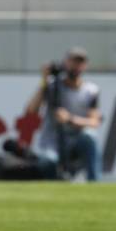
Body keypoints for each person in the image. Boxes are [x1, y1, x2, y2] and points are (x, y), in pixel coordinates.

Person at [25, 47, 102, 181]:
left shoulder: (91, 91)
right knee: (47, 162)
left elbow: (94, 122)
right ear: (65, 62)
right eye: (72, 61)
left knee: (90, 137)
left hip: (76, 141)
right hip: (52, 142)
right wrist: (44, 81)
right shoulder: (52, 86)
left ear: (85, 66)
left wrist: (70, 119)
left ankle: (94, 184)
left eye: (80, 62)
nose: (75, 66)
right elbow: (31, 111)